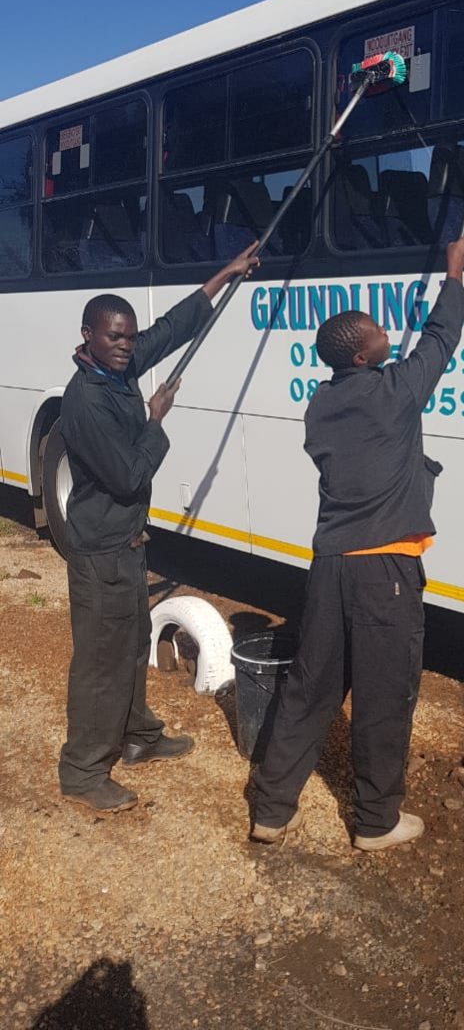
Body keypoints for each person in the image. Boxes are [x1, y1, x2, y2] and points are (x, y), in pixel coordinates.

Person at [251, 234, 464, 850]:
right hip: (385, 574)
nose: (385, 333)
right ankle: (376, 821)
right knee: (383, 695)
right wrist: (454, 274)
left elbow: (416, 354)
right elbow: (440, 339)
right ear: (360, 356)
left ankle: (271, 809)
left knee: (310, 687)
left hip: (330, 567)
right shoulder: (393, 393)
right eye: (376, 333)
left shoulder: (320, 405)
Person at [58, 244, 260, 815]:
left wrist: (223, 275)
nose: (126, 345)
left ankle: (138, 736)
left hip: (126, 546)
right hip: (100, 553)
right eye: (114, 336)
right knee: (100, 662)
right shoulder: (86, 401)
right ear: (88, 336)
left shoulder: (117, 367)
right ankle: (82, 772)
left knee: (131, 645)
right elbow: (127, 477)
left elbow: (170, 331)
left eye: (128, 336)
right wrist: (154, 420)